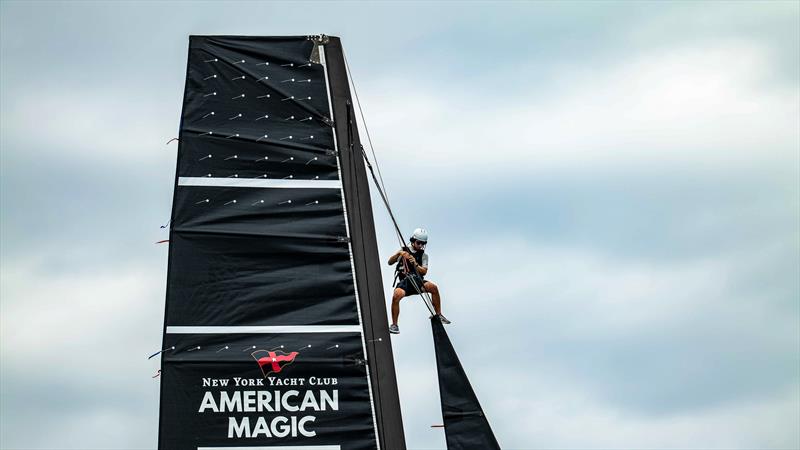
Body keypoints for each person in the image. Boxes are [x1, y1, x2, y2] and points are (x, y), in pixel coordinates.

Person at [387, 228, 450, 334]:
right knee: (396, 295)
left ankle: (439, 314)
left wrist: (415, 264)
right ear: (413, 240)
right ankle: (394, 325)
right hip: (405, 282)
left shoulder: (424, 256)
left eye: (423, 243)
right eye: (419, 243)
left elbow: (424, 271)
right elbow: (390, 262)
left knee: (434, 288)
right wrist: (399, 254)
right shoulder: (403, 250)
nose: (421, 246)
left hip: (417, 281)